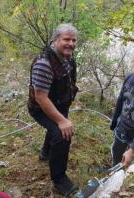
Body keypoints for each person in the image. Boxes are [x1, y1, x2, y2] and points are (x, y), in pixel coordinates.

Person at [27, 24, 79, 196]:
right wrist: (62, 121)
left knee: (58, 125)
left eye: (73, 40)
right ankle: (59, 179)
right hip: (41, 108)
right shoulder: (44, 63)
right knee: (63, 133)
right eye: (66, 39)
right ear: (55, 40)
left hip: (58, 103)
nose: (70, 43)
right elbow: (41, 97)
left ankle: (45, 152)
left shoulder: (67, 57)